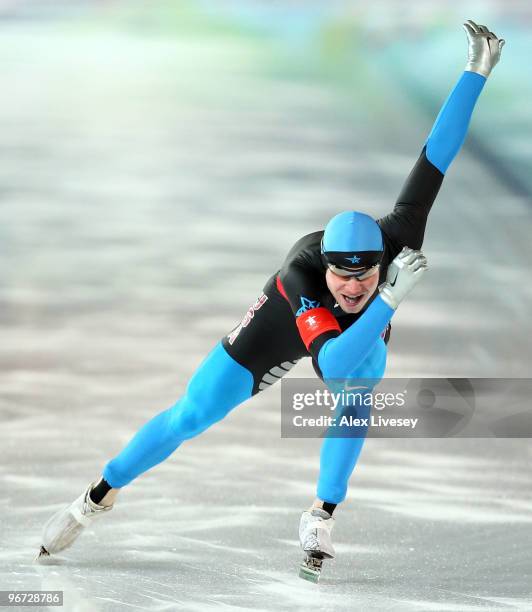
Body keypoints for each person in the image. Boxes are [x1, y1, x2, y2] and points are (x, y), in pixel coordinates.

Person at [38, 20, 504, 580]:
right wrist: (388, 301)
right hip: (281, 330)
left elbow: (436, 157)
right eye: (344, 279)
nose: (354, 288)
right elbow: (327, 360)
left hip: (351, 345)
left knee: (358, 393)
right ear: (327, 266)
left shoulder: (398, 233)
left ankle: (321, 514)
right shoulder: (302, 275)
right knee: (193, 412)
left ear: (382, 256)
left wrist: (476, 71)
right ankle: (96, 495)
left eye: (368, 277)